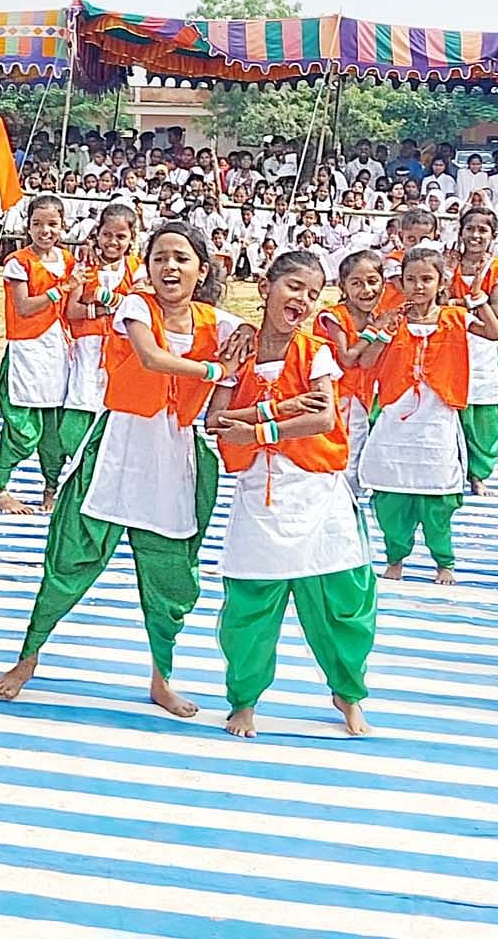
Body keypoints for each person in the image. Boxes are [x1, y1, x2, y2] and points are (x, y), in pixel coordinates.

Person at [0, 222, 246, 718]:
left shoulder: (218, 323)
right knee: (70, 558)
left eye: (181, 258)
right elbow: (151, 359)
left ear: (201, 269)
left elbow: (246, 342)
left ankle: (162, 678)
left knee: (171, 577)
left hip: (174, 458)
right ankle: (28, 657)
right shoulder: (136, 306)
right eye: (160, 258)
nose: (169, 267)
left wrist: (246, 339)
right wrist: (216, 370)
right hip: (117, 449)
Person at [204, 250, 375, 739]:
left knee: (342, 602)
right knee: (250, 605)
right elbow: (216, 421)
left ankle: (348, 693)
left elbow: (323, 418)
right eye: (292, 286)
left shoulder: (316, 352)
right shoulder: (240, 351)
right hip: (260, 495)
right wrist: (282, 411)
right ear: (265, 287)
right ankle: (244, 701)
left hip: (316, 492)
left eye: (311, 291)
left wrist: (258, 424)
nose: (300, 298)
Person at [360, 247, 498, 585]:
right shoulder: (390, 318)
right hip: (396, 416)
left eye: (426, 279)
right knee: (392, 497)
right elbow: (366, 362)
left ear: (441, 282)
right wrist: (384, 331)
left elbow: (494, 333)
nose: (418, 286)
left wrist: (478, 296)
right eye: (411, 280)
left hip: (436, 419)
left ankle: (444, 562)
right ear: (401, 283)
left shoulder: (455, 317)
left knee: (437, 499)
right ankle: (395, 558)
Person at [0, 197, 74, 515]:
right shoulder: (18, 262)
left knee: (53, 428)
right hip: (26, 351)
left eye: (52, 224)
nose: (45, 230)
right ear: (28, 226)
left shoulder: (68, 261)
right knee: (23, 427)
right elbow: (23, 307)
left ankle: (51, 487)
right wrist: (56, 292)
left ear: (62, 225)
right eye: (38, 223)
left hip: (58, 350)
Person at [58, 204, 144, 466]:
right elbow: (72, 310)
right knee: (79, 413)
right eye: (107, 235)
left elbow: (138, 304)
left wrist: (103, 299)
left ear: (131, 239)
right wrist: (107, 307)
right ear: (98, 234)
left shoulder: (137, 268)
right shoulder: (84, 267)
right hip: (88, 348)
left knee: (113, 413)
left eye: (121, 237)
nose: (113, 242)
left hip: (122, 353)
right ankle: (79, 468)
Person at [449, 209, 498, 493]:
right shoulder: (449, 264)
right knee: (450, 408)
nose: (475, 235)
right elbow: (437, 300)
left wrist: (459, 302)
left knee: (482, 414)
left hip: (482, 346)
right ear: (461, 231)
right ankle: (452, 468)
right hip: (449, 343)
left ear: (493, 236)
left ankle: (478, 474)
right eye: (470, 229)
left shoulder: (496, 270)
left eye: (482, 230)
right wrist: (467, 300)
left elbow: (495, 313)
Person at [315, 249, 387, 491]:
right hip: (335, 396)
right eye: (356, 283)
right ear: (343, 287)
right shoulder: (334, 316)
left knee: (354, 451)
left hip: (361, 397)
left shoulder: (375, 318)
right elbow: (346, 357)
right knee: (335, 451)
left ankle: (348, 503)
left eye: (372, 281)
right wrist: (373, 332)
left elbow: (367, 362)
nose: (366, 290)